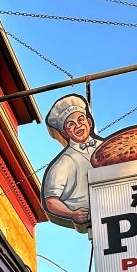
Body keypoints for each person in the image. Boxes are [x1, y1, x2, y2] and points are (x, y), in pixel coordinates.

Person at [41, 94, 103, 234]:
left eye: (81, 120)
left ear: (89, 122)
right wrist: (72, 214)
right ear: (65, 133)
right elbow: (50, 200)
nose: (78, 126)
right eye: (71, 125)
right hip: (92, 218)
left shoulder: (108, 146)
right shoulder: (65, 162)